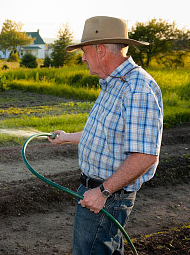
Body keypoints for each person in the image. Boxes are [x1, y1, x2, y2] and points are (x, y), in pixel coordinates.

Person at [48, 16, 163, 254]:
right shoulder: (112, 83)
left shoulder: (136, 89)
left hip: (107, 197)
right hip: (99, 192)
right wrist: (67, 137)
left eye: (84, 51)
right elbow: (103, 135)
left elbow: (145, 156)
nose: (82, 57)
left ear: (100, 51)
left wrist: (102, 193)